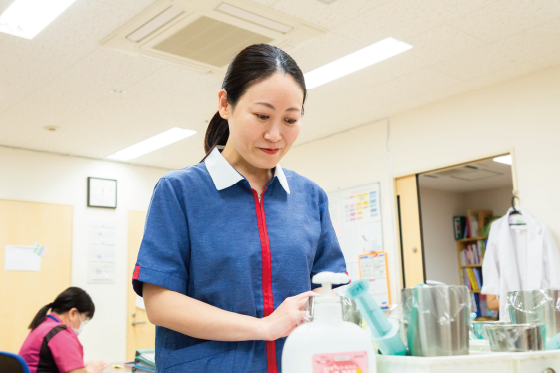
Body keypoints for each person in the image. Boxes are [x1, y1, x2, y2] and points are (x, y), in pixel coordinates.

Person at [132, 43, 347, 373]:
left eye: (290, 119)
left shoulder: (310, 198)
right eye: (262, 115)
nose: (275, 134)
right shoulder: (180, 192)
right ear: (224, 105)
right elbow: (160, 303)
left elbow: (332, 286)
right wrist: (263, 327)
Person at [19, 287, 109, 373]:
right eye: (84, 319)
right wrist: (92, 370)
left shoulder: (43, 326)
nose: (82, 324)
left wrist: (82, 366)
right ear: (73, 313)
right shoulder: (60, 332)